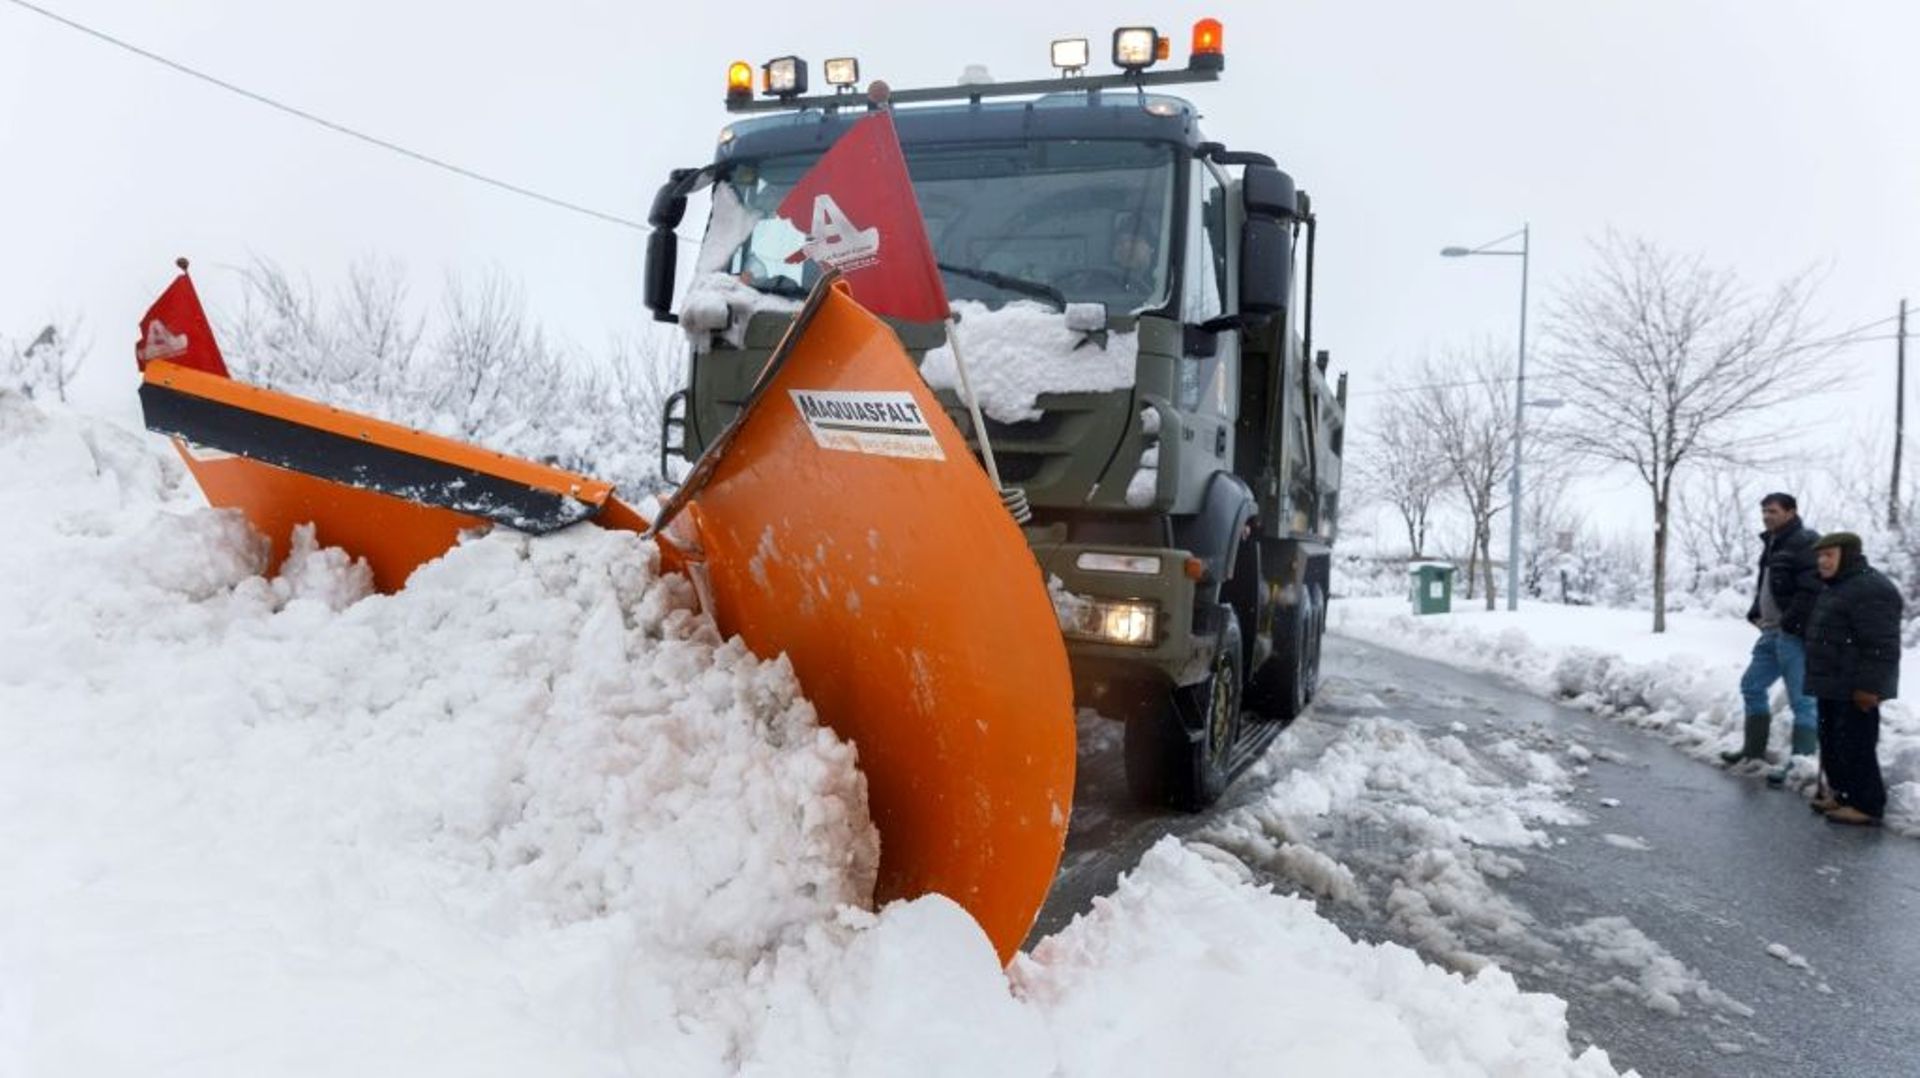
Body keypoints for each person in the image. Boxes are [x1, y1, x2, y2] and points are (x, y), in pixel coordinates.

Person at [1722, 493, 1821, 784]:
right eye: (1764, 511)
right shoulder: (1773, 543)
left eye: (1773, 511)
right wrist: (1756, 611)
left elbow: (1811, 589)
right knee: (1751, 685)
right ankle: (1753, 751)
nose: (1767, 516)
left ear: (1791, 512)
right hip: (1770, 631)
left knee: (1801, 700)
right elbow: (1768, 584)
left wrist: (1791, 622)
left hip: (1792, 633)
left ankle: (1800, 764)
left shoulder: (1805, 542)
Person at [1803, 532, 1902, 826]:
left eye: (1829, 555)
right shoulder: (1838, 586)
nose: (1822, 561)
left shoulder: (1871, 589)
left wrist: (1870, 686)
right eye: (1819, 555)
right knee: (1833, 741)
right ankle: (1843, 795)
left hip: (1856, 685)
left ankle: (1867, 804)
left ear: (1847, 554)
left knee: (1856, 743)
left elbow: (1880, 644)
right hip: (1832, 682)